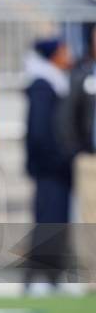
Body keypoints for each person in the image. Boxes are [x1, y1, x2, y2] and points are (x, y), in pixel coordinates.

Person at [24, 37, 74, 291]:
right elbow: (40, 131)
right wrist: (57, 159)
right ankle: (37, 276)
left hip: (56, 167)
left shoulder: (54, 82)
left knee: (55, 220)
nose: (68, 54)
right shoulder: (44, 85)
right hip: (49, 168)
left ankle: (51, 275)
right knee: (48, 220)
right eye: (63, 49)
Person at [60, 24, 96, 289]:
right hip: (89, 158)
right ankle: (91, 277)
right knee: (89, 220)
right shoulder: (82, 73)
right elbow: (67, 115)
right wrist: (76, 150)